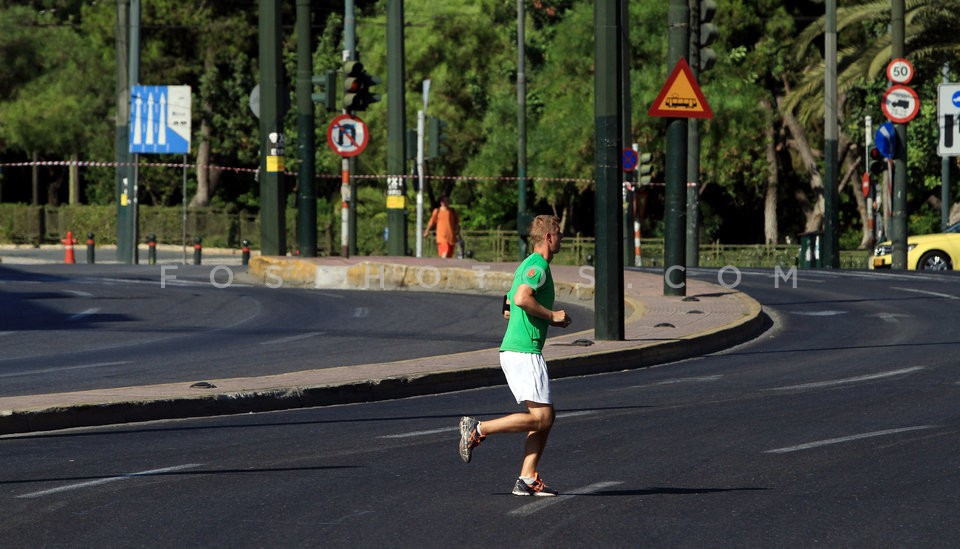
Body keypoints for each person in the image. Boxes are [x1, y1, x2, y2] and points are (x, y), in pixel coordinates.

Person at [458, 215, 572, 497]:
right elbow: (521, 298)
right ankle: (478, 429)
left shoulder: (526, 264)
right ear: (548, 237)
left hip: (517, 349)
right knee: (543, 417)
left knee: (546, 415)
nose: (561, 239)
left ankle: (527, 478)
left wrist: (515, 314)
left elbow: (508, 302)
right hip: (523, 350)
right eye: (558, 234)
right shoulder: (538, 265)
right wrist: (552, 316)